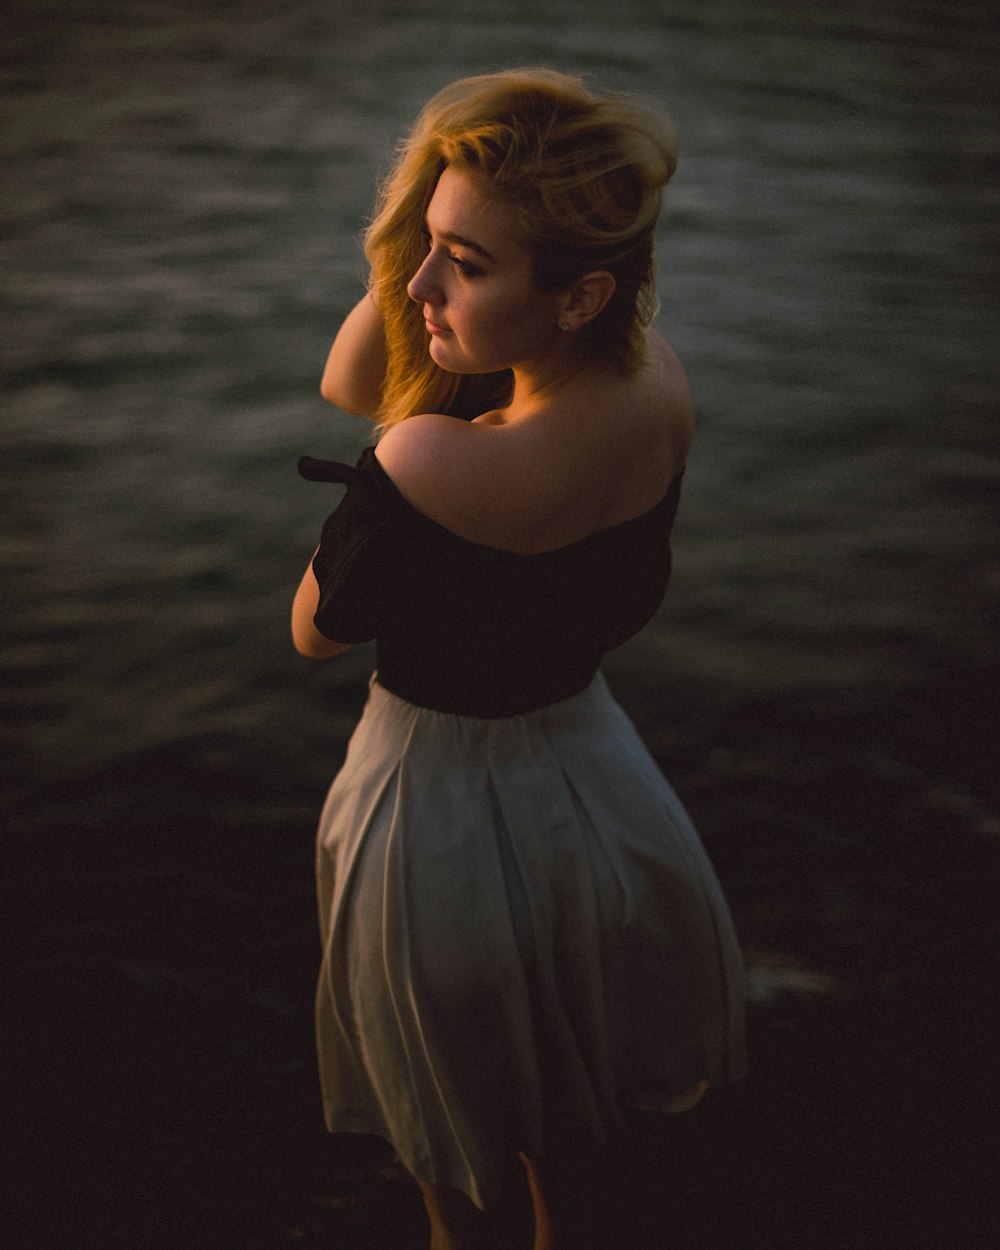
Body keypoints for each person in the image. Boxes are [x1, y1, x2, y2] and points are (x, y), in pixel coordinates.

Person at [292, 68, 746, 1250]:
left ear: (581, 290)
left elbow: (310, 625)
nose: (418, 284)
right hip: (594, 785)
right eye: (422, 245)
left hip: (436, 813)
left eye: (464, 263)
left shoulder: (435, 461)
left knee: (454, 1182)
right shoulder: (659, 387)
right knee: (577, 1162)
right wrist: (436, 257)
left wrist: (407, 443)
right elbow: (361, 377)